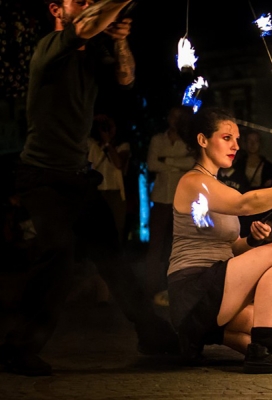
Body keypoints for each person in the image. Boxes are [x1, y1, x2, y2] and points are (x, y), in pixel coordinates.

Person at [0, 0, 178, 377]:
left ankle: (153, 335)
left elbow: (126, 78)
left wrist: (119, 41)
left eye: (89, 0)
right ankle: (17, 348)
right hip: (42, 173)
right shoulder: (49, 48)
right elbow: (86, 24)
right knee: (58, 252)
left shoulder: (93, 55)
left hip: (78, 177)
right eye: (78, 1)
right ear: (55, 9)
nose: (85, 6)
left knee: (113, 258)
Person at [167, 107, 272, 374]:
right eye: (227, 137)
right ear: (203, 140)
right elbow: (246, 203)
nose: (236, 146)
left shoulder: (219, 188)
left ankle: (204, 334)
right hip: (193, 289)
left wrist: (251, 241)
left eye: (237, 139)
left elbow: (229, 248)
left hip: (218, 292)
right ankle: (263, 349)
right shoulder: (193, 182)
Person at [145, 105, 195, 304]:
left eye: (178, 117)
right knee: (155, 245)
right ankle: (151, 288)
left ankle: (176, 287)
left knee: (178, 245)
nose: (174, 120)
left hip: (180, 201)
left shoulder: (189, 142)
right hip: (160, 199)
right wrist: (177, 162)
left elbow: (190, 164)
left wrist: (166, 160)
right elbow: (151, 164)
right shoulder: (158, 139)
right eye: (172, 116)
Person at [87, 113, 131, 245]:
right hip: (98, 192)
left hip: (115, 193)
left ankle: (117, 260)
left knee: (117, 229)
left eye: (111, 126)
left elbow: (118, 163)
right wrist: (92, 119)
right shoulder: (93, 146)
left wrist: (108, 144)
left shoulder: (123, 146)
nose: (109, 129)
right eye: (105, 126)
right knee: (97, 230)